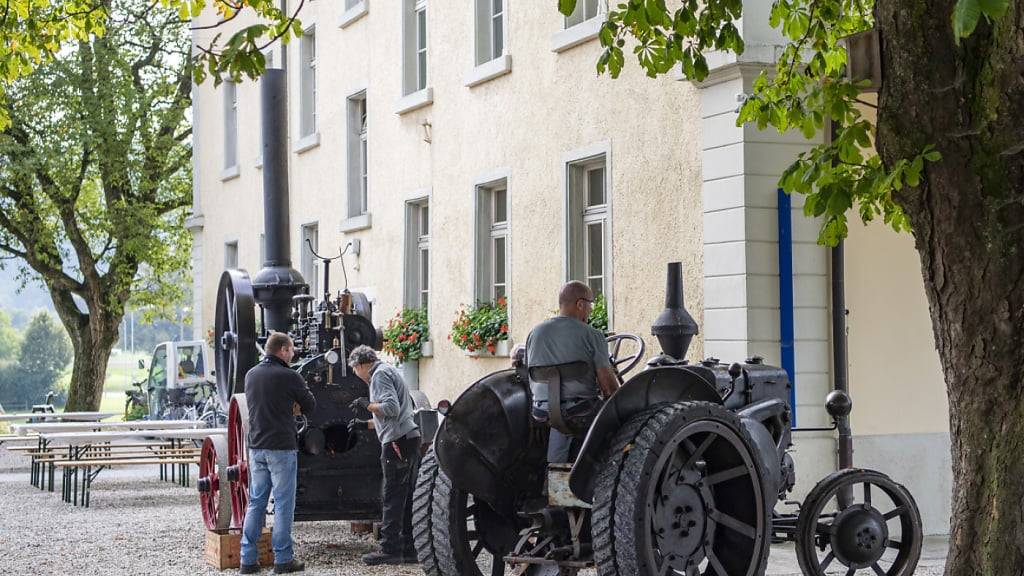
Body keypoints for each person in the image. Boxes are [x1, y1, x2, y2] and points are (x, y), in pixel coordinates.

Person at [239, 332, 316, 575]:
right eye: (291, 349)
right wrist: (293, 406)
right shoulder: (290, 376)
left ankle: (247, 560)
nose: (293, 354)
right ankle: (283, 560)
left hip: (256, 447)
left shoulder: (251, 375)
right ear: (282, 350)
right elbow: (311, 405)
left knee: (256, 503)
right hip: (281, 448)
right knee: (283, 505)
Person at [526, 281, 619, 463]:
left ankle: (556, 471)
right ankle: (608, 471)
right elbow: (608, 388)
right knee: (615, 419)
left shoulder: (535, 333)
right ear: (580, 304)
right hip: (580, 411)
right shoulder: (592, 335)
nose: (590, 311)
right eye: (590, 306)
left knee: (561, 417)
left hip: (542, 411)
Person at [346, 345, 421, 566]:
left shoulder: (378, 375)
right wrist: (366, 425)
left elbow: (391, 408)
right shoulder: (388, 370)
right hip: (407, 437)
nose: (356, 375)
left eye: (354, 370)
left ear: (359, 365)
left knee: (392, 496)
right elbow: (392, 416)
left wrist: (366, 405)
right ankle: (409, 548)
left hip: (397, 442)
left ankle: (389, 549)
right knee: (405, 495)